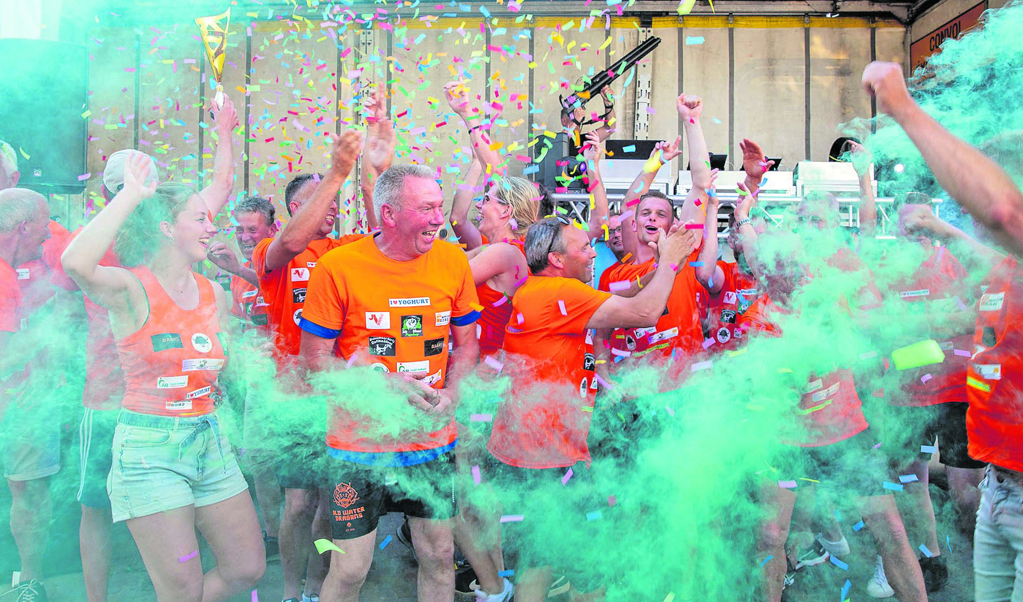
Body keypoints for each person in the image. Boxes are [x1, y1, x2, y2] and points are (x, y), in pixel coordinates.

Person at [60, 153, 264, 602]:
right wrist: (132, 195)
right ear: (167, 229)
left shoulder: (215, 291)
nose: (213, 228)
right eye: (200, 219)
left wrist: (264, 356)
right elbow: (75, 263)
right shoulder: (130, 287)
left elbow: (229, 366)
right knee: (182, 589)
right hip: (151, 449)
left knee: (246, 568)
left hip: (210, 439)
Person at [862, 60, 1023, 602]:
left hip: (1013, 483)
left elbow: (1001, 214)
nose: (970, 206)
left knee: (958, 489)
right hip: (1003, 483)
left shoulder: (987, 243)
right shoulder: (1001, 269)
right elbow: (945, 321)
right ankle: (929, 556)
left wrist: (903, 109)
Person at [487, 215, 697, 602]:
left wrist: (667, 263)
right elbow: (644, 313)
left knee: (540, 557)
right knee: (590, 560)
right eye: (583, 247)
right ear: (556, 260)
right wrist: (668, 262)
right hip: (550, 455)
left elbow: (626, 291)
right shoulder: (560, 293)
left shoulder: (538, 290)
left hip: (531, 449)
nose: (592, 253)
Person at [298, 163, 483, 602]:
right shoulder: (338, 268)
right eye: (427, 208)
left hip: (432, 442)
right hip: (358, 448)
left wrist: (454, 394)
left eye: (440, 206)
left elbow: (468, 347)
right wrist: (382, 385)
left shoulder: (452, 260)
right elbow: (313, 367)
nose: (440, 219)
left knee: (438, 556)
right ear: (389, 214)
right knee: (350, 570)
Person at [739, 233, 928, 602]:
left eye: (800, 262)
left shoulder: (833, 297)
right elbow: (781, 388)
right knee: (770, 536)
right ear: (766, 272)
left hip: (847, 433)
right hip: (784, 441)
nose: (796, 272)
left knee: (890, 529)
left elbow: (866, 336)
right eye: (783, 264)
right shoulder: (758, 316)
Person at [250, 131, 367, 602]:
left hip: (334, 396)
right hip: (295, 399)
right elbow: (294, 239)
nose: (331, 206)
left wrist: (377, 170)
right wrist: (336, 172)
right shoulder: (270, 252)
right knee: (297, 504)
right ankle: (288, 590)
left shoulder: (345, 249)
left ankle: (318, 585)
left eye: (334, 198)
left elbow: (381, 235)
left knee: (325, 507)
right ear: (295, 209)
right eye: (316, 198)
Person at [207, 195, 283, 560]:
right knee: (260, 461)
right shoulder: (236, 276)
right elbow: (240, 329)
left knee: (301, 476)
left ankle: (311, 544)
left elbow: (273, 287)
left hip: (291, 384)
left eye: (252, 229)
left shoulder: (284, 261)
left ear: (273, 229)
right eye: (238, 229)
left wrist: (238, 268)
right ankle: (272, 535)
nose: (244, 236)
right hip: (255, 385)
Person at [0, 187, 53, 602]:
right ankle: (29, 581)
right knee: (28, 492)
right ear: (23, 226)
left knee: (28, 491)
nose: (49, 234)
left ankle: (28, 580)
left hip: (24, 407)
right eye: (44, 224)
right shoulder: (3, 277)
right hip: (16, 408)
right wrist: (50, 332)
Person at [701, 139, 771, 353]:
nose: (754, 238)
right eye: (746, 231)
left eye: (759, 234)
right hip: (726, 377)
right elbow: (705, 275)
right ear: (731, 240)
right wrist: (712, 209)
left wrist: (753, 180)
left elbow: (751, 218)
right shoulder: (726, 274)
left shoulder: (774, 279)